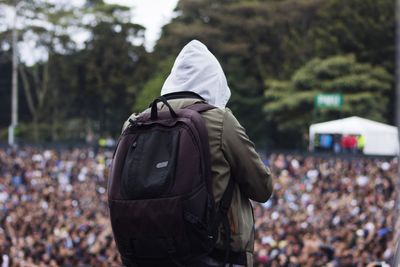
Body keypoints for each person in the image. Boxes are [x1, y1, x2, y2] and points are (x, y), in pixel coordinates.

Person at [123, 40, 273, 266]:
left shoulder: (134, 123)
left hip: (147, 253)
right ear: (215, 81)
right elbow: (262, 189)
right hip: (214, 254)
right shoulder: (219, 121)